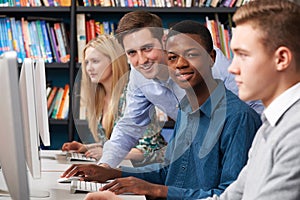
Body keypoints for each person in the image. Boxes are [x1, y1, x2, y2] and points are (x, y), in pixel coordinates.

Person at [63, 20, 262, 199]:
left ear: (211, 58)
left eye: (192, 55)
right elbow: (171, 172)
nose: (181, 64)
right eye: (173, 58)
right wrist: (114, 172)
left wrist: (157, 191)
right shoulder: (185, 109)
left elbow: (231, 195)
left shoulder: (239, 118)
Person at [96, 11, 263, 169]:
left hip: (243, 147)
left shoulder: (209, 63)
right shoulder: (138, 75)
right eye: (132, 53)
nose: (141, 60)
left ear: (164, 40)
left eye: (147, 48)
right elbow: (130, 125)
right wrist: (105, 166)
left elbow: (250, 114)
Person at [203, 0, 300, 199]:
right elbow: (232, 197)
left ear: (281, 59)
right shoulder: (269, 125)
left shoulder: (295, 133)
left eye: (243, 55)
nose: (231, 68)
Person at [62, 34, 167, 166]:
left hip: (152, 174)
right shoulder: (99, 98)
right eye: (87, 62)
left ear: (113, 62)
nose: (89, 68)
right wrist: (88, 148)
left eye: (95, 61)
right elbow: (117, 141)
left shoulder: (134, 97)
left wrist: (108, 153)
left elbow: (151, 150)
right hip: (122, 171)